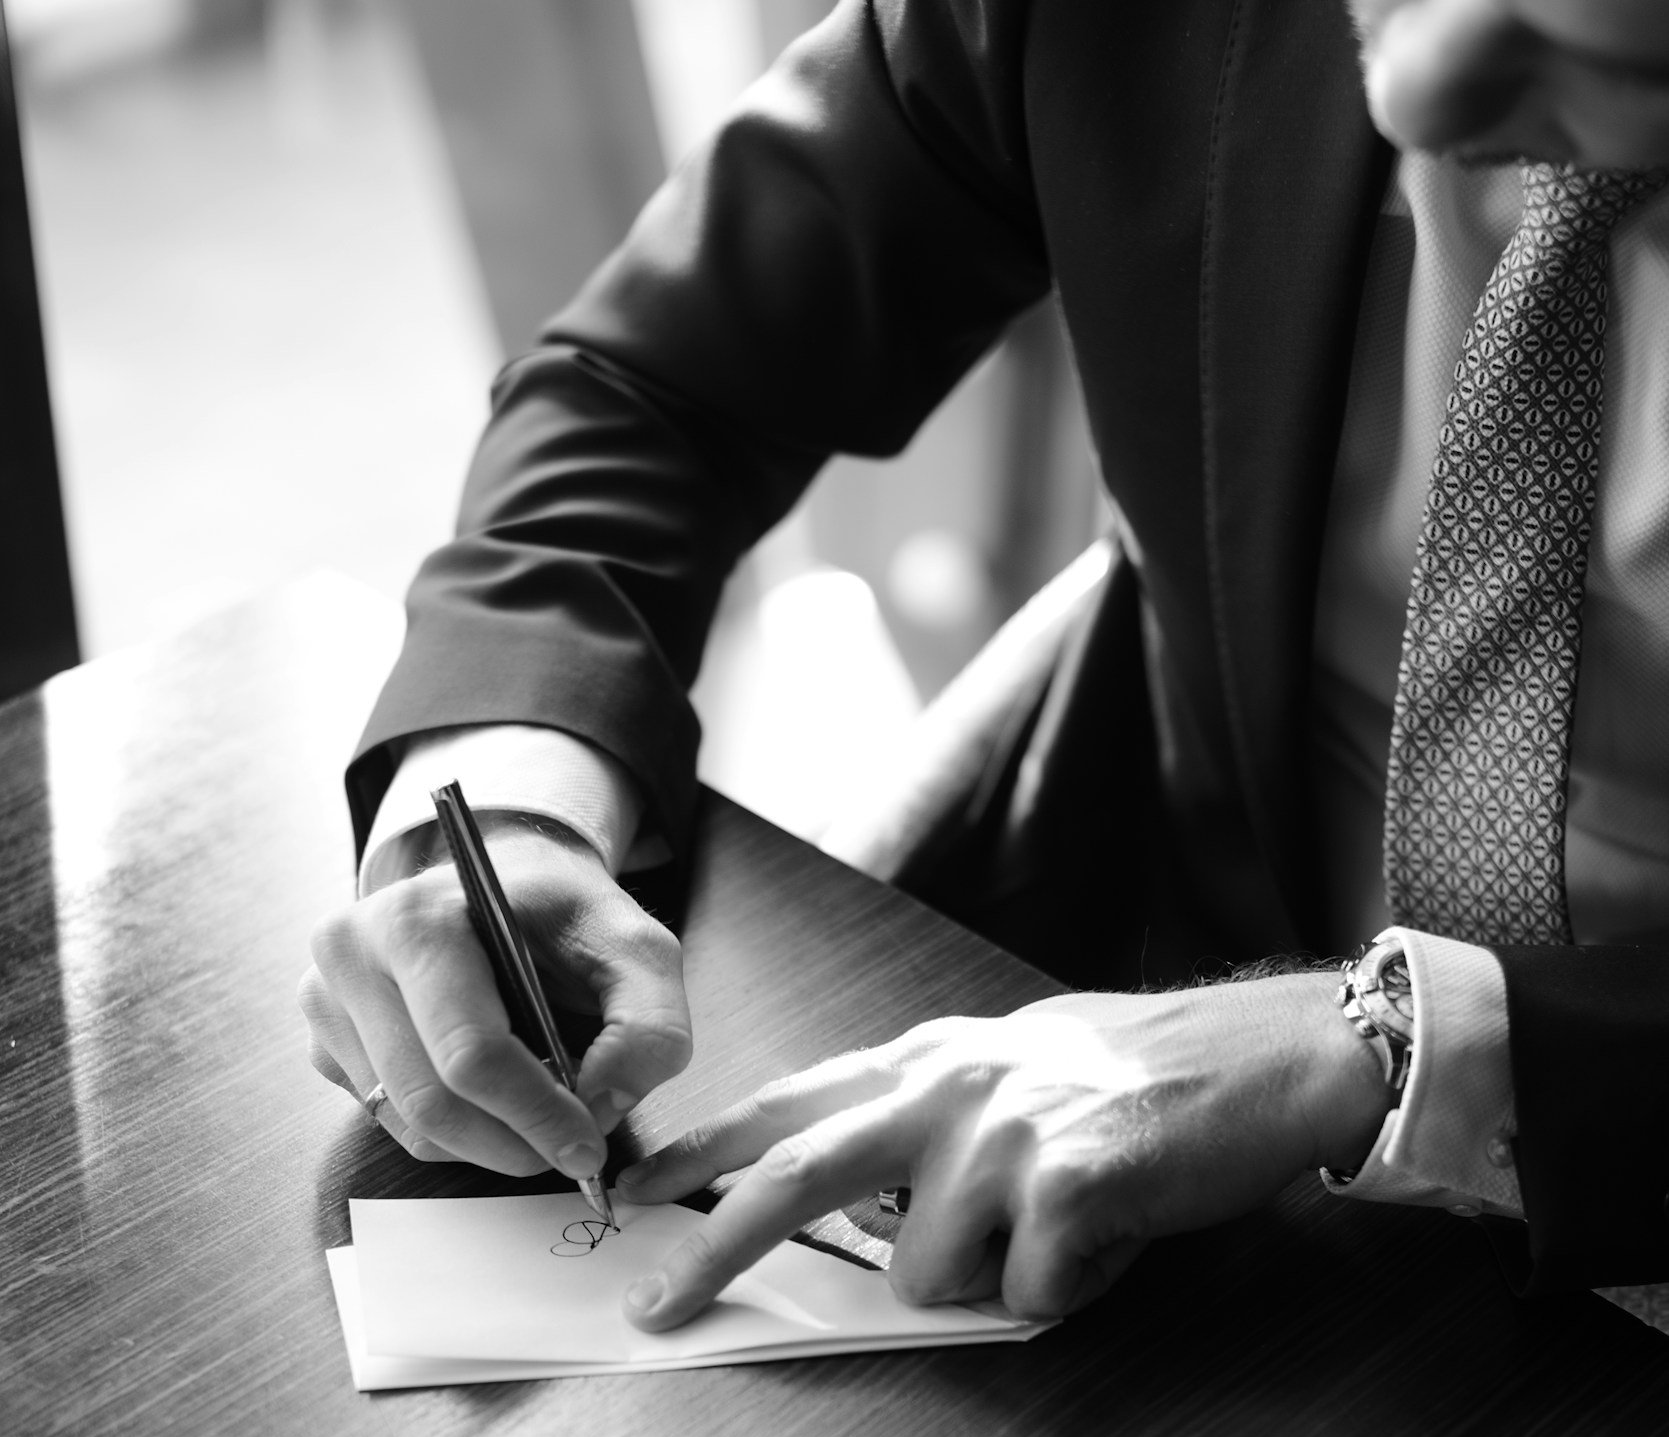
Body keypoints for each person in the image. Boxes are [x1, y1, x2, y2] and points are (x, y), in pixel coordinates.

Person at [300, 0, 1669, 1333]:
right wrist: (509, 791)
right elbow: (664, 380)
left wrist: (1386, 1045)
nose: (1411, 98)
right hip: (1169, 1004)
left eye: (1608, 47)